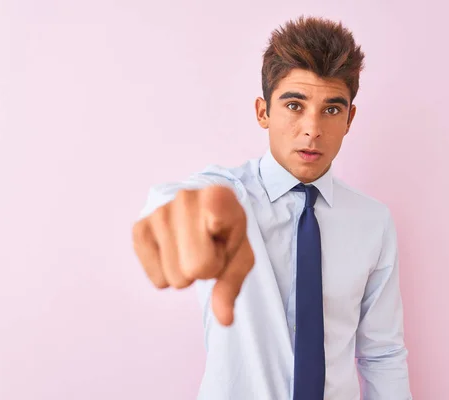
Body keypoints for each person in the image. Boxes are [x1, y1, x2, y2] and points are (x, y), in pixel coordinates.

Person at [132, 16, 412, 400]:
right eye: (294, 105)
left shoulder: (373, 221)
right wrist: (180, 214)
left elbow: (382, 354)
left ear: (350, 119)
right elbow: (176, 201)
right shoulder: (227, 196)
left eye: (331, 110)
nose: (312, 128)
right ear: (263, 112)